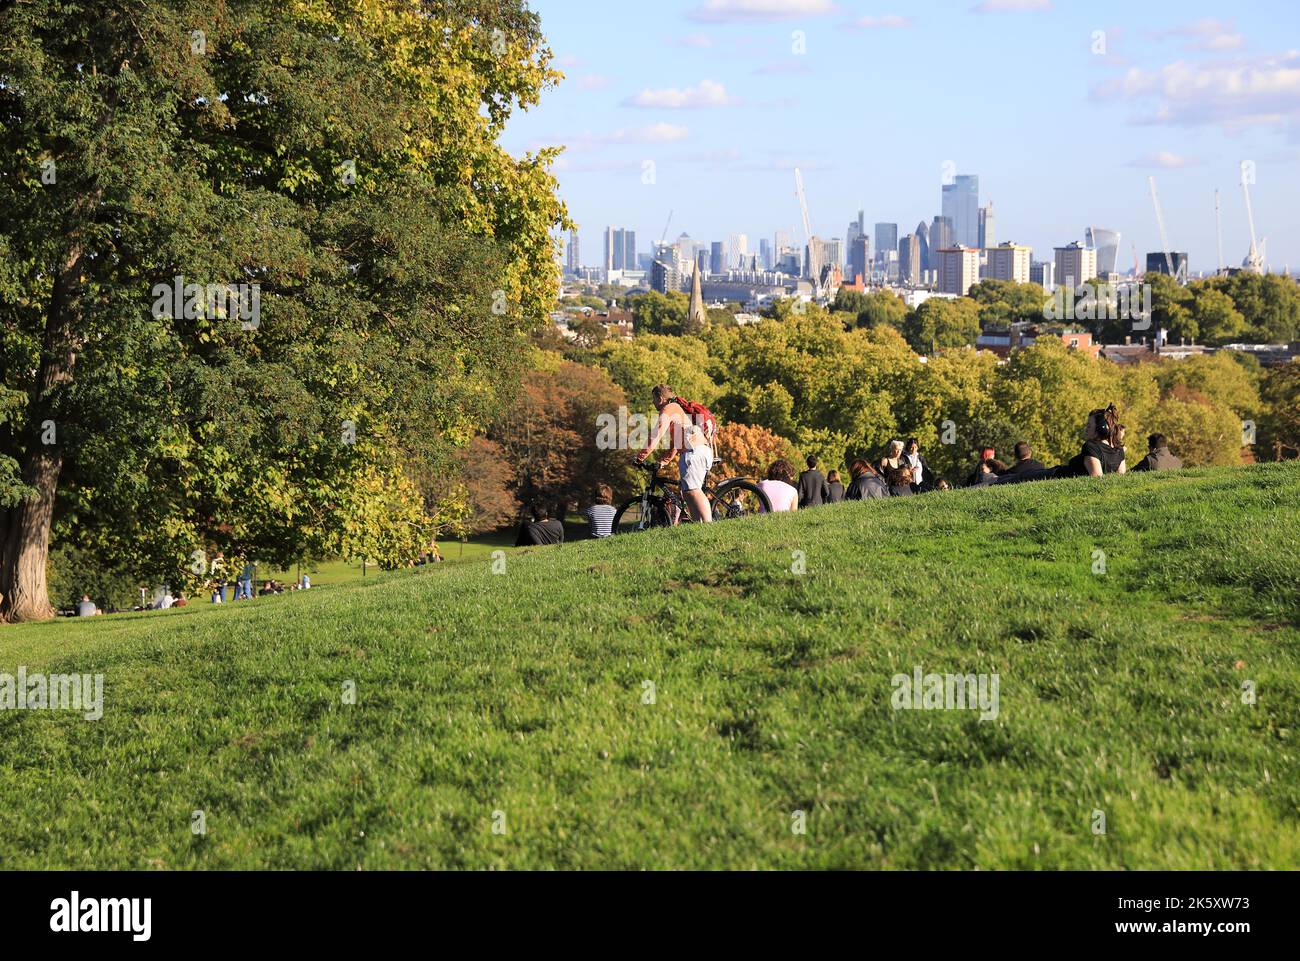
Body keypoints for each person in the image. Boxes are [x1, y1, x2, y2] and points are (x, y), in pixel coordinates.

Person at [636, 385, 715, 524]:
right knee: (688, 493)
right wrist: (663, 461)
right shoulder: (676, 410)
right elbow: (676, 444)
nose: (653, 402)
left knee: (693, 491)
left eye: (653, 399)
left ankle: (708, 525)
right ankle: (700, 526)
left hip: (694, 452)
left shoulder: (669, 408)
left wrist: (640, 457)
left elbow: (656, 434)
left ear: (660, 398)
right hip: (697, 450)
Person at [1064, 404, 1127, 477]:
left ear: (1101, 428)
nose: (1086, 429)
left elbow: (1096, 477)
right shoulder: (1119, 450)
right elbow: (1120, 476)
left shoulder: (1091, 447)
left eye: (1089, 425)